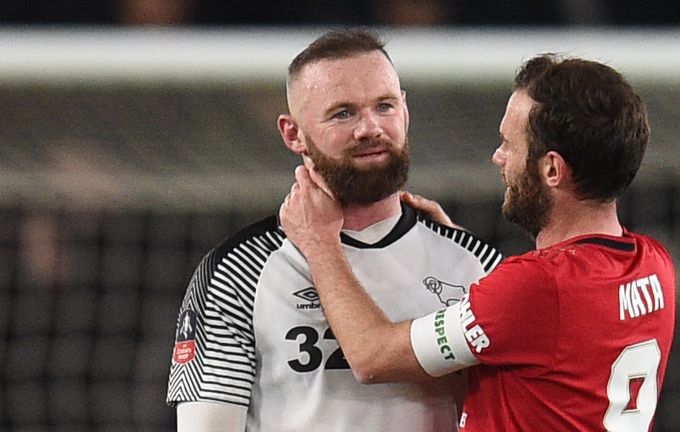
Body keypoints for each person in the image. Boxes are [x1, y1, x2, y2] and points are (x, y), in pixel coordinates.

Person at [280, 54, 676, 431]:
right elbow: (553, 327)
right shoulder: (654, 264)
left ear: (552, 169)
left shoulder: (535, 288)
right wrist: (459, 251)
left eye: (510, 145)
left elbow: (372, 356)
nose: (498, 157)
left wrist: (320, 243)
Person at [165, 29, 503, 432]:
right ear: (293, 133)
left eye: (385, 106)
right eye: (343, 113)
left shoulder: (476, 263)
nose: (370, 128)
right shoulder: (237, 271)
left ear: (406, 112)